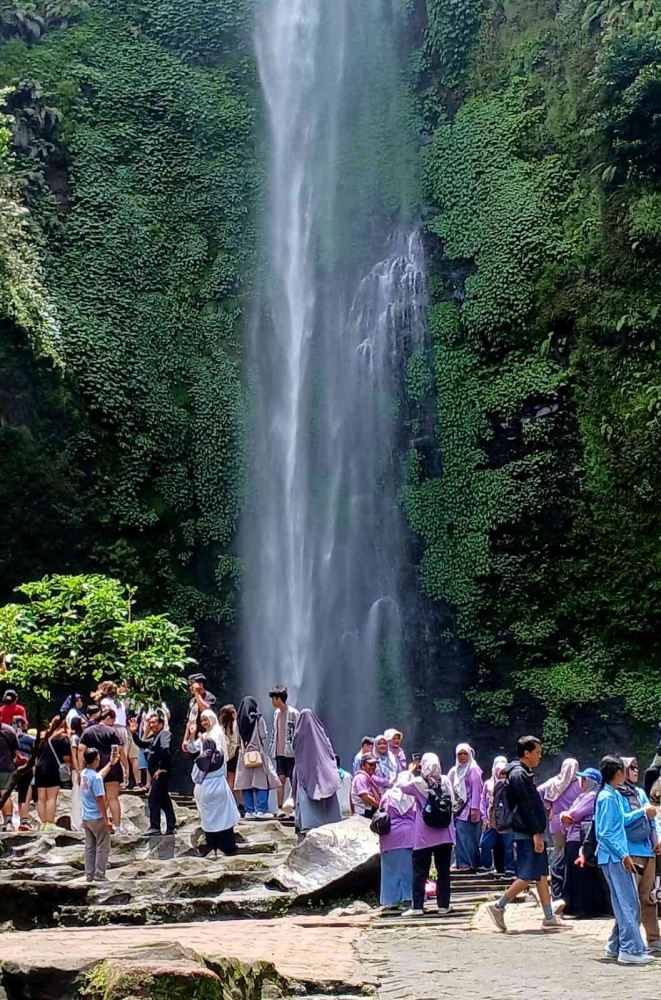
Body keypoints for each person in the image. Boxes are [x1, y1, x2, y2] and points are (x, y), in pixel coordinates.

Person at [486, 735, 564, 932]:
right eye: (537, 752)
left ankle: (548, 916)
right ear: (526, 753)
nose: (540, 756)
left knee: (540, 874)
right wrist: (536, 832)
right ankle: (498, 906)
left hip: (532, 831)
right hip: (528, 832)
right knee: (529, 874)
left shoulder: (523, 773)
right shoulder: (518, 775)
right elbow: (525, 806)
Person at [595, 754, 655, 965]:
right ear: (618, 772)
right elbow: (604, 832)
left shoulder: (609, 795)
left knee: (625, 903)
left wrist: (640, 813)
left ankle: (616, 946)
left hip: (613, 856)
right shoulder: (609, 797)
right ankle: (630, 949)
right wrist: (624, 855)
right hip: (614, 857)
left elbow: (620, 822)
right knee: (628, 903)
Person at [398, 754, 456, 917]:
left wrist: (410, 771)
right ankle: (443, 905)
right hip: (444, 833)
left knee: (420, 870)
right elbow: (451, 800)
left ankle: (417, 906)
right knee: (443, 870)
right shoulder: (445, 780)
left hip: (424, 834)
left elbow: (401, 786)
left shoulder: (418, 782)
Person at [617, 756, 661, 952]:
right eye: (631, 768)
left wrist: (658, 839)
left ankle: (654, 939)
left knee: (649, 897)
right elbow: (621, 820)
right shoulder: (615, 794)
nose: (636, 771)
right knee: (629, 899)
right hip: (629, 851)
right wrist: (642, 812)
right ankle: (622, 940)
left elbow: (653, 820)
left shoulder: (640, 792)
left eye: (636, 768)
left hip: (648, 850)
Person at [558, 766, 610, 917]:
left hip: (581, 839)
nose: (581, 781)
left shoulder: (592, 796)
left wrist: (564, 815)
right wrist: (563, 815)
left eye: (584, 779)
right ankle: (577, 906)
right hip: (573, 838)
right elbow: (567, 817)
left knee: (582, 875)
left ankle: (584, 908)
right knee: (576, 874)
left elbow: (574, 814)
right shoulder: (582, 796)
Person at [291, 708, 342, 833]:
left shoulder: (299, 733)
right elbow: (329, 750)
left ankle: (308, 822)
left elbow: (295, 749)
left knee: (305, 794)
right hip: (323, 769)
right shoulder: (321, 732)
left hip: (305, 769)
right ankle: (331, 819)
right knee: (326, 790)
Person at [129, 710, 176, 835]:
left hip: (160, 773)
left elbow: (165, 749)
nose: (152, 725)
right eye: (150, 723)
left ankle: (155, 826)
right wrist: (134, 733)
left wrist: (162, 768)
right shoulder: (154, 737)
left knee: (153, 798)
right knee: (164, 800)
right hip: (157, 772)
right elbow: (142, 743)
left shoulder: (164, 734)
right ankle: (171, 825)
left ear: (161, 723)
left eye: (154, 722)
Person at [539, 757, 580, 899]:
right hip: (573, 822)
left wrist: (547, 805)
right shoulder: (580, 784)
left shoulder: (554, 782)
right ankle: (567, 883)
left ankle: (555, 880)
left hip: (556, 821)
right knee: (569, 853)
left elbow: (538, 791)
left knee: (558, 851)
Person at [80, 708, 126, 832]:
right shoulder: (112, 731)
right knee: (112, 798)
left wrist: (81, 768)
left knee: (96, 797)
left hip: (93, 768)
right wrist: (119, 764)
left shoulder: (87, 732)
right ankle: (117, 828)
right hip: (112, 768)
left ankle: (96, 826)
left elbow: (80, 749)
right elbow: (118, 750)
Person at [192, 737, 240, 856]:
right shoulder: (220, 755)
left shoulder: (200, 760)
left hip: (207, 790)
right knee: (224, 817)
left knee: (209, 819)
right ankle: (228, 847)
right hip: (221, 788)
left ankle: (212, 846)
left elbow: (195, 777)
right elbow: (225, 771)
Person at [234, 696, 280, 818]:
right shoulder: (258, 718)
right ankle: (262, 810)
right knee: (261, 782)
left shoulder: (237, 721)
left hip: (244, 756)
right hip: (257, 754)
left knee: (246, 783)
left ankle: (249, 811)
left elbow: (236, 739)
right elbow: (263, 734)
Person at [378, 771, 416, 911]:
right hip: (408, 836)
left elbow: (381, 811)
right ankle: (408, 897)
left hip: (389, 836)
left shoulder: (387, 795)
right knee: (407, 868)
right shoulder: (412, 796)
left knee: (390, 869)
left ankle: (391, 900)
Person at [448, 743, 483, 871]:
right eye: (459, 754)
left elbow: (476, 790)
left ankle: (466, 863)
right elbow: (448, 786)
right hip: (457, 808)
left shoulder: (473, 769)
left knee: (467, 836)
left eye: (464, 754)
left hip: (468, 808)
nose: (462, 756)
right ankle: (462, 861)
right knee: (458, 835)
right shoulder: (455, 770)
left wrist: (474, 808)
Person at [80, 747, 113, 882]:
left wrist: (110, 763)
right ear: (97, 759)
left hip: (86, 817)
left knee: (89, 846)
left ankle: (89, 874)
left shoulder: (84, 774)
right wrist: (107, 820)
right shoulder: (97, 779)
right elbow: (100, 799)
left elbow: (99, 775)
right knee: (102, 846)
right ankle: (99, 874)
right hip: (97, 817)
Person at [34, 716, 72, 831]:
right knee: (51, 797)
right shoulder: (62, 738)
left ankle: (43, 823)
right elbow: (66, 757)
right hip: (53, 768)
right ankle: (50, 823)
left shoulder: (42, 737)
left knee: (41, 798)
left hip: (39, 768)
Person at [479, 755, 514, 875]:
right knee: (484, 843)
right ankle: (487, 866)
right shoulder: (488, 784)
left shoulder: (511, 784)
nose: (502, 775)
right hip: (492, 821)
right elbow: (482, 801)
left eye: (504, 772)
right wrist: (484, 818)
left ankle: (510, 869)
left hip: (507, 821)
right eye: (500, 772)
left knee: (508, 847)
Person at [269, 686, 299, 814]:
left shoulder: (293, 713)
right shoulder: (276, 713)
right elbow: (274, 732)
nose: (272, 702)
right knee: (279, 780)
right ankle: (280, 808)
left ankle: (295, 807)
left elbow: (299, 732)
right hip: (279, 753)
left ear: (279, 699)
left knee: (293, 781)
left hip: (291, 754)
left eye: (273, 699)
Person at [182, 673, 216, 750]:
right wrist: (185, 739)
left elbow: (205, 710)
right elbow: (190, 720)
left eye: (192, 685)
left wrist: (197, 693)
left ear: (200, 685)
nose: (190, 688)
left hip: (206, 736)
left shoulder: (210, 697)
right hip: (193, 737)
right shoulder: (192, 701)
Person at [12, 716, 35, 831]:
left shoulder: (11, 737)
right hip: (27, 768)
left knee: (21, 794)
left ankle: (22, 820)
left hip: (15, 768)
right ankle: (24, 820)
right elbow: (39, 743)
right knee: (26, 795)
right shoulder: (27, 738)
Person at [0, 717, 21, 830]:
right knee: (5, 794)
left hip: (5, 767)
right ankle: (8, 822)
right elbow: (17, 753)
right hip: (7, 766)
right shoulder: (9, 730)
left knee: (3, 794)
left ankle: (5, 821)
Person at [219, 705, 241, 807]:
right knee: (236, 780)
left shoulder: (221, 727)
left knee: (229, 779)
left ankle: (232, 803)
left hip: (226, 755)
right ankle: (237, 803)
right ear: (232, 714)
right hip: (236, 754)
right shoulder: (236, 725)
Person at [69, 715, 85, 831]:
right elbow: (73, 756)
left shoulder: (83, 737)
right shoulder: (75, 738)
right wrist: (78, 770)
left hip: (83, 769)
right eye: (83, 723)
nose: (85, 725)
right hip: (77, 771)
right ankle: (76, 823)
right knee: (77, 795)